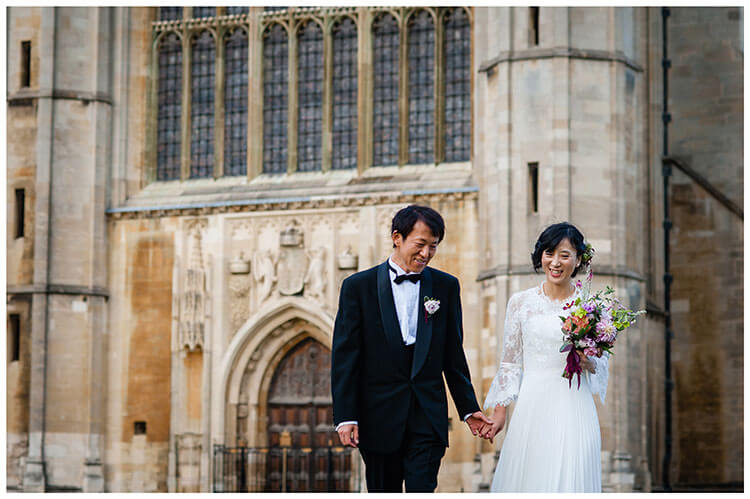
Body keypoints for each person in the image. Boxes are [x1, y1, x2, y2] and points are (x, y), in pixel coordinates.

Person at [331, 204, 491, 492]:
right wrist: (346, 416)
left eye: (433, 246)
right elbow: (345, 358)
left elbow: (453, 355)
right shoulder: (357, 287)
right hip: (377, 418)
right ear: (397, 237)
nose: (426, 254)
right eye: (420, 244)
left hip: (427, 417)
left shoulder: (446, 286)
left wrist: (468, 409)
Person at [480, 222, 609, 492]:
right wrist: (500, 412)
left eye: (565, 255)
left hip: (575, 403)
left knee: (573, 474)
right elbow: (510, 362)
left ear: (578, 260)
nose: (556, 262)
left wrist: (589, 361)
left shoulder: (592, 306)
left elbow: (600, 364)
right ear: (541, 255)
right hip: (533, 405)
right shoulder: (520, 302)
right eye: (550, 253)